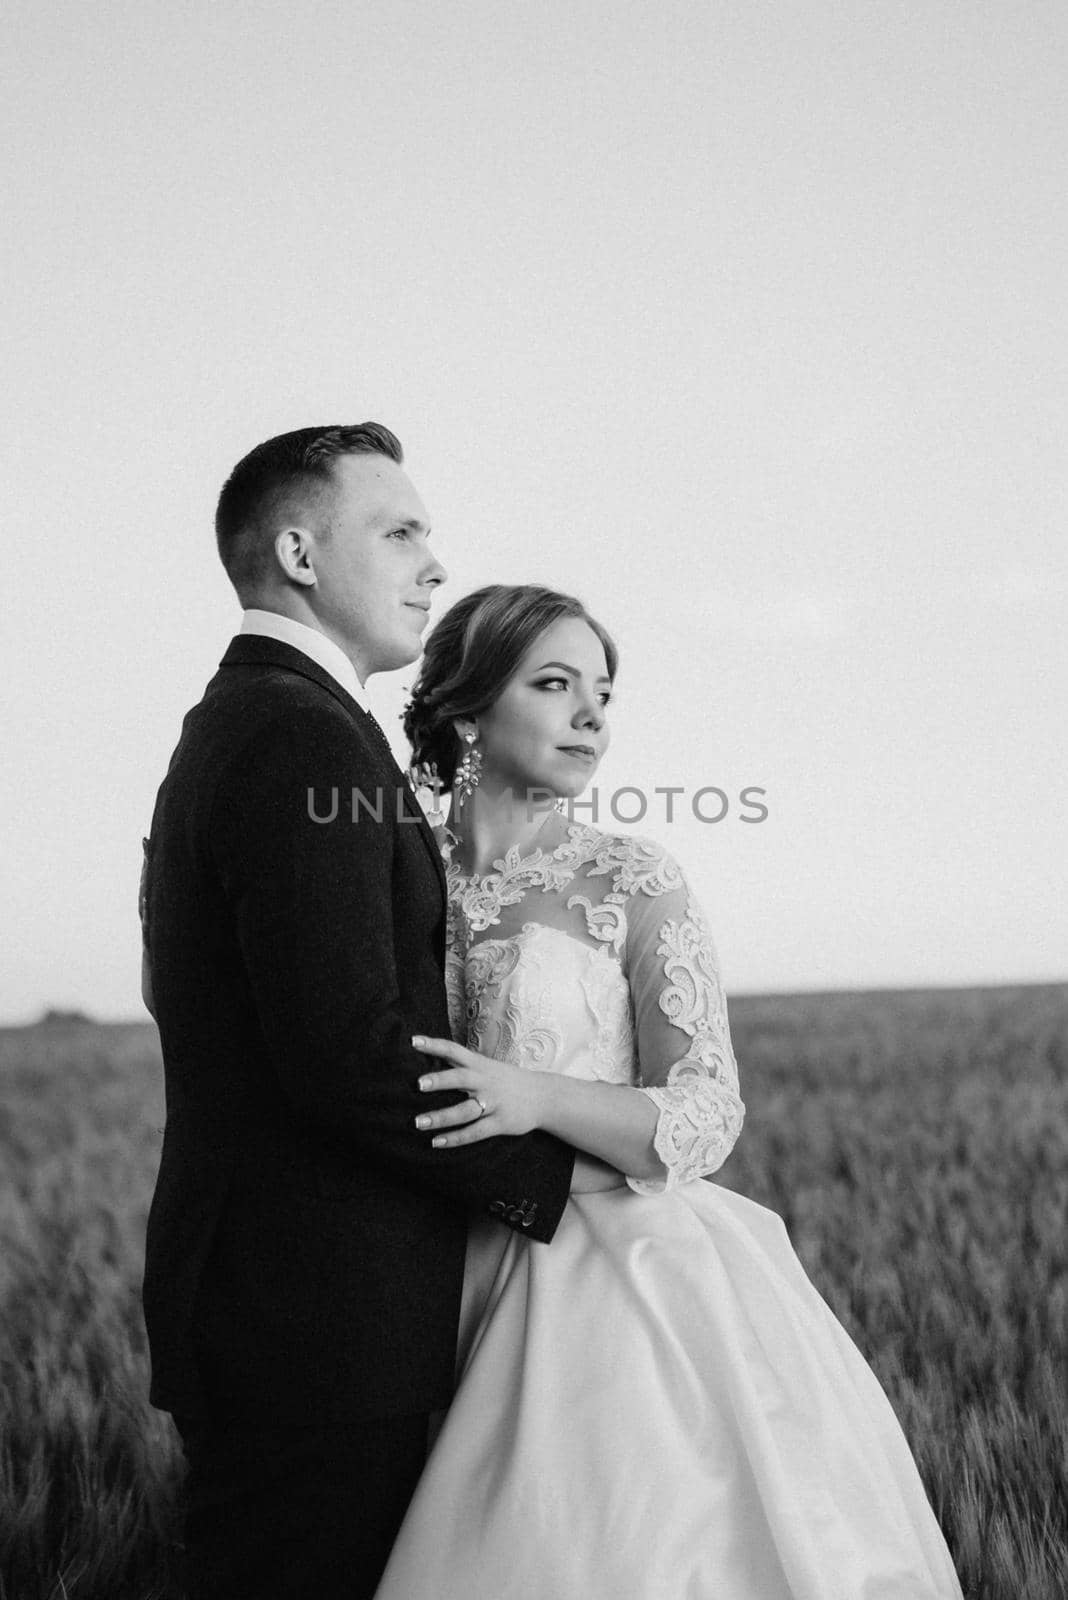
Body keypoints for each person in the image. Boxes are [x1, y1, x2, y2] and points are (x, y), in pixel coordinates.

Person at [372, 583, 965, 1600]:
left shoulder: (631, 879)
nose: (593, 714)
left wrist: (539, 1098)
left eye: (602, 690)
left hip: (624, 1277)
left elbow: (706, 1112)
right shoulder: (390, 867)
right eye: (554, 683)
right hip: (427, 1276)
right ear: (465, 707)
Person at [138, 430, 611, 1600]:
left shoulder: (256, 718)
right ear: (298, 552)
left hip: (293, 1310)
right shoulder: (297, 731)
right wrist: (558, 1186)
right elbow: (345, 1052)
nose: (433, 565)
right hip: (312, 1329)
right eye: (399, 531)